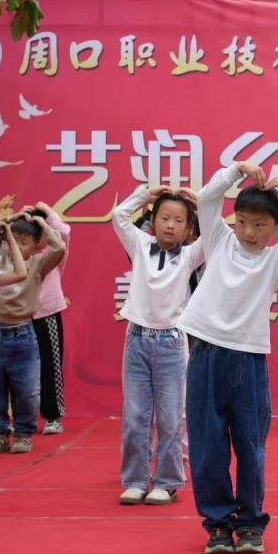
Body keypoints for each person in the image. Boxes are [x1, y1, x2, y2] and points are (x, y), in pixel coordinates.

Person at [180, 162, 278, 554]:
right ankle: (219, 525)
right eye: (242, 222)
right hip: (205, 351)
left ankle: (251, 524)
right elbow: (208, 198)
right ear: (233, 220)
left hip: (249, 359)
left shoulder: (275, 259)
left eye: (260, 225)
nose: (249, 232)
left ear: (277, 227)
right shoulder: (219, 240)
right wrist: (236, 171)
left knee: (251, 446)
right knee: (208, 446)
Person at [112, 185, 204, 506]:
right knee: (135, 415)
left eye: (179, 220)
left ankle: (167, 481)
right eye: (164, 218)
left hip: (172, 343)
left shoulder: (191, 254)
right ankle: (135, 480)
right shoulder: (140, 244)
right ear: (152, 220)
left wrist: (199, 203)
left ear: (189, 228)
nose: (170, 225)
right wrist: (145, 195)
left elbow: (217, 234)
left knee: (171, 417)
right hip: (137, 339)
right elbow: (119, 215)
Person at [0, 211, 65, 455]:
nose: (16, 246)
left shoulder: (38, 264)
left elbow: (59, 247)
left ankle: (23, 434)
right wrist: (6, 226)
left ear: (36, 246)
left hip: (24, 333)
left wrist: (42, 225)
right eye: (13, 241)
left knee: (27, 389)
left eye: (24, 242)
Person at [28, 202, 72, 436]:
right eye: (32, 233)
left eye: (42, 231)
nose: (38, 237)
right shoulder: (16, 254)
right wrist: (20, 220)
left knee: (50, 365)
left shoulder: (54, 254)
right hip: (18, 317)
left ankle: (53, 416)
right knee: (18, 369)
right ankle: (23, 418)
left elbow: (64, 232)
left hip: (47, 314)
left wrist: (44, 211)